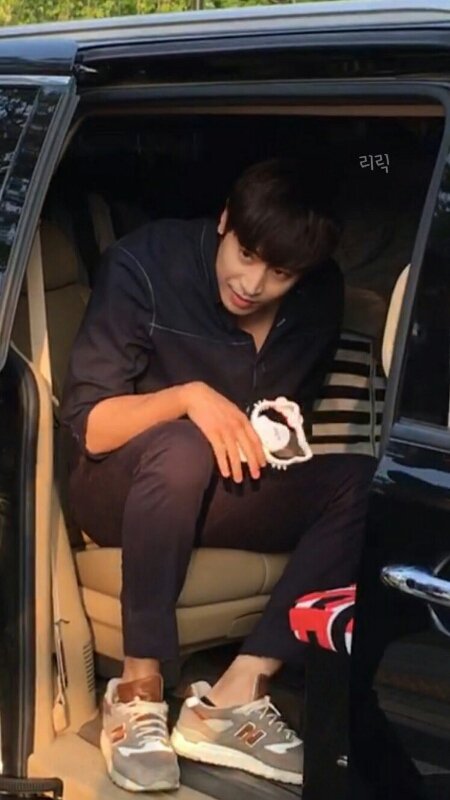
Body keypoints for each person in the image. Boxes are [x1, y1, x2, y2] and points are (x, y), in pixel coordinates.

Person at [61, 158, 376, 792]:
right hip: (119, 483)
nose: (253, 284)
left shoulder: (319, 297)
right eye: (246, 255)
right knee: (185, 442)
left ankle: (234, 696)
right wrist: (188, 398)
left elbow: (283, 409)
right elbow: (90, 426)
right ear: (226, 221)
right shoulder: (145, 265)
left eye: (280, 273)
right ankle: (138, 693)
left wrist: (279, 435)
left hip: (222, 483)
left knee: (363, 481)